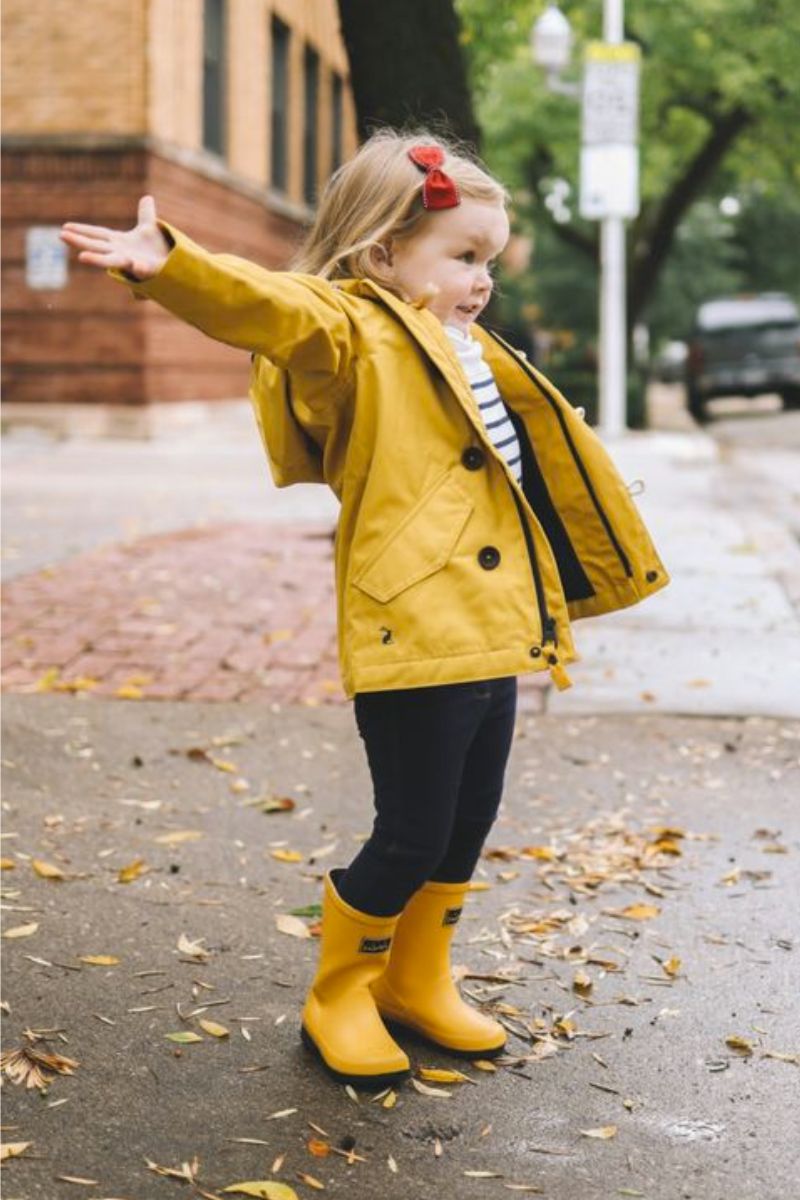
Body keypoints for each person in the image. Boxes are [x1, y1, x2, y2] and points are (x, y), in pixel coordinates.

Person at [60, 128, 668, 1090]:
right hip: (414, 631)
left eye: (490, 262)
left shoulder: (466, 345)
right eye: (463, 257)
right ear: (382, 253)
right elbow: (274, 306)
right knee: (412, 830)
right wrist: (169, 267)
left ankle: (417, 977)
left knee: (467, 825)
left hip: (493, 629)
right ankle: (341, 988)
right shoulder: (352, 334)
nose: (481, 280)